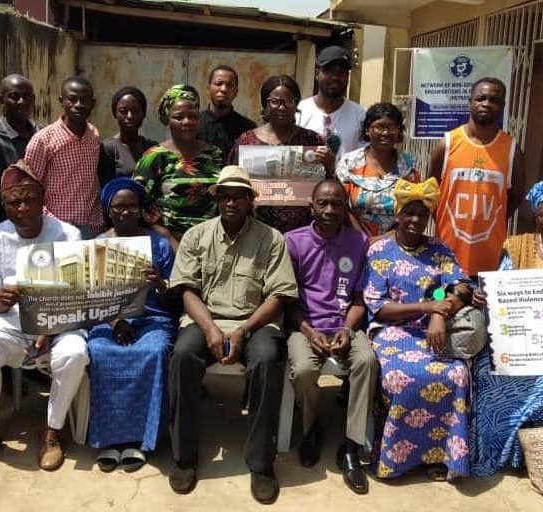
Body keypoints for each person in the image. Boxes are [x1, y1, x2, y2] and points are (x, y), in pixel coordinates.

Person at [167, 165, 298, 504]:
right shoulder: (196, 235)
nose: (231, 202)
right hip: (205, 319)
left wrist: (242, 330)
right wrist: (210, 328)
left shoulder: (271, 238)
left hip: (255, 322)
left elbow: (278, 296)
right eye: (225, 196)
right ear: (217, 200)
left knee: (268, 359)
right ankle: (183, 457)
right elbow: (186, 290)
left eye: (239, 196)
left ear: (250, 201)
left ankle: (261, 463)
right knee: (182, 356)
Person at [364, 177, 474, 482]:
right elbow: (379, 306)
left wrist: (439, 311)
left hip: (431, 330)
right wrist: (429, 308)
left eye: (422, 215)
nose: (415, 220)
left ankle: (439, 455)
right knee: (404, 376)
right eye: (409, 213)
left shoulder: (438, 248)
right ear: (398, 214)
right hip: (390, 331)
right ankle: (398, 458)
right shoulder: (379, 251)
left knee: (456, 373)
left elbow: (458, 285)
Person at [0, 160, 88, 473]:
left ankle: (52, 431)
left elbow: (77, 293)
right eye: (14, 202)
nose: (23, 208)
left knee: (74, 353)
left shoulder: (68, 234)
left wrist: (51, 326)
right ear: (4, 206)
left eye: (30, 199)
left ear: (43, 199)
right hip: (12, 321)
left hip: (61, 319)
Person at [285, 179, 376, 494]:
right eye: (322, 203)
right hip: (305, 325)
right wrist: (308, 331)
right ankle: (311, 428)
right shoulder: (293, 242)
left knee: (367, 361)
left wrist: (347, 329)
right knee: (303, 369)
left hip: (344, 324)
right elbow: (286, 301)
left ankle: (350, 444)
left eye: (336, 203)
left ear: (345, 207)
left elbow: (361, 299)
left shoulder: (359, 242)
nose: (329, 210)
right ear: (311, 206)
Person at [87, 177, 176, 473]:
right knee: (100, 352)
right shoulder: (97, 245)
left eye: (132, 207)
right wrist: (116, 321)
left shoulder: (159, 244)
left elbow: (175, 293)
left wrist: (159, 282)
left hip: (153, 318)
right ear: (108, 210)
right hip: (108, 318)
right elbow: (91, 295)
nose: (125, 212)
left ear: (141, 209)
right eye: (119, 207)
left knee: (153, 352)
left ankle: (141, 438)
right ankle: (109, 439)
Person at [470, 180, 543, 478]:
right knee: (487, 369)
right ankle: (504, 452)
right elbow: (503, 287)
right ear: (536, 215)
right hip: (519, 338)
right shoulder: (517, 245)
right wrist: (485, 295)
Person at [428, 77, 526, 279]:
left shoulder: (511, 149)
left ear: (502, 106)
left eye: (494, 100)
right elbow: (430, 192)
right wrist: (444, 221)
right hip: (446, 256)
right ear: (470, 102)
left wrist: (493, 220)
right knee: (439, 296)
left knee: (482, 300)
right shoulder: (447, 144)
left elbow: (516, 195)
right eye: (481, 98)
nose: (486, 104)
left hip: (489, 259)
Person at [230, 75, 334, 233]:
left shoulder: (311, 140)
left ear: (296, 103)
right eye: (275, 101)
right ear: (265, 104)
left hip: (301, 233)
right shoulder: (246, 141)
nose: (282, 107)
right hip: (255, 232)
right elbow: (232, 183)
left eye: (288, 101)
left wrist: (330, 165)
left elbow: (328, 185)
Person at [133, 85, 223, 244]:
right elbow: (138, 203)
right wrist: (168, 238)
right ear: (167, 120)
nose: (187, 122)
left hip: (211, 242)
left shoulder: (214, 154)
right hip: (168, 244)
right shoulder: (154, 157)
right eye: (179, 117)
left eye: (192, 116)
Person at [25, 76, 102, 239]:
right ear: (61, 101)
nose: (78, 105)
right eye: (72, 99)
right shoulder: (43, 140)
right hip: (56, 228)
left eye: (84, 100)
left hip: (90, 227)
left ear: (93, 103)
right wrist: (51, 223)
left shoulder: (94, 136)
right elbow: (30, 187)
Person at [337, 102, 420, 236]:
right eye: (379, 127)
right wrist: (363, 239)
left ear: (399, 131)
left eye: (391, 127)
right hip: (354, 239)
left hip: (397, 240)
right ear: (367, 130)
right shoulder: (349, 163)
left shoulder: (409, 165)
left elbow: (413, 209)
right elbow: (341, 206)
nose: (385, 133)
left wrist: (387, 238)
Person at [0, 74, 40, 225]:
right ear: (1, 99)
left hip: (39, 224)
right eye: (14, 97)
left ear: (33, 99)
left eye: (27, 96)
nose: (22, 102)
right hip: (3, 225)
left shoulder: (42, 134)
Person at [297, 45, 366, 162]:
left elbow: (365, 160)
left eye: (341, 72)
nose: (335, 77)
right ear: (317, 74)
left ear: (348, 76)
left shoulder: (361, 116)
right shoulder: (299, 112)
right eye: (329, 71)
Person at [98, 87, 158, 184]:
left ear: (143, 114)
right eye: (123, 111)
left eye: (135, 111)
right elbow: (108, 187)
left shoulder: (152, 148)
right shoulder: (107, 149)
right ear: (115, 114)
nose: (130, 116)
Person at [198, 65, 256, 158]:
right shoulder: (194, 125)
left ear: (236, 92)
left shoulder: (248, 129)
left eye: (229, 85)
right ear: (208, 89)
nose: (224, 89)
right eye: (218, 84)